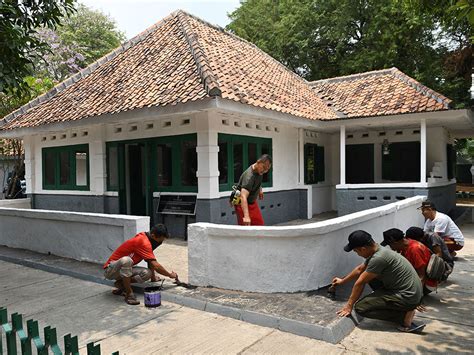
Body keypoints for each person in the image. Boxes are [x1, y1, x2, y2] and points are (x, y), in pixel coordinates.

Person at [332, 230, 425, 333]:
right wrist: (342, 281)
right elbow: (360, 270)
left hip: (407, 296)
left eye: (356, 251)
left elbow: (360, 282)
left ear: (363, 249)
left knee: (361, 308)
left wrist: (349, 306)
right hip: (410, 291)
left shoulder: (379, 258)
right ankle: (403, 306)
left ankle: (404, 317)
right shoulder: (378, 250)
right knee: (371, 277)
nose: (357, 254)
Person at [103, 224, 178, 305]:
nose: (160, 243)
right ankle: (129, 294)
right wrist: (170, 275)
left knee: (147, 273)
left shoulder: (147, 238)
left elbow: (151, 261)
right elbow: (156, 266)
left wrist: (153, 278)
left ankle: (121, 284)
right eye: (160, 240)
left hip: (123, 270)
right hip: (110, 270)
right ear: (153, 235)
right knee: (127, 260)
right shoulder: (143, 242)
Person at [381, 228, 437, 295]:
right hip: (415, 277)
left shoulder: (415, 249)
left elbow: (421, 275)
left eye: (390, 245)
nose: (391, 248)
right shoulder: (407, 243)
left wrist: (417, 297)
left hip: (426, 283)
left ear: (395, 243)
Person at [234, 154, 272, 226]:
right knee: (246, 225)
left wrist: (259, 190)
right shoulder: (249, 177)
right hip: (240, 201)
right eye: (264, 168)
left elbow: (257, 180)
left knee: (259, 224)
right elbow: (243, 196)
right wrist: (246, 216)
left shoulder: (259, 170)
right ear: (258, 162)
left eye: (267, 169)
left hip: (251, 201)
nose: (265, 171)